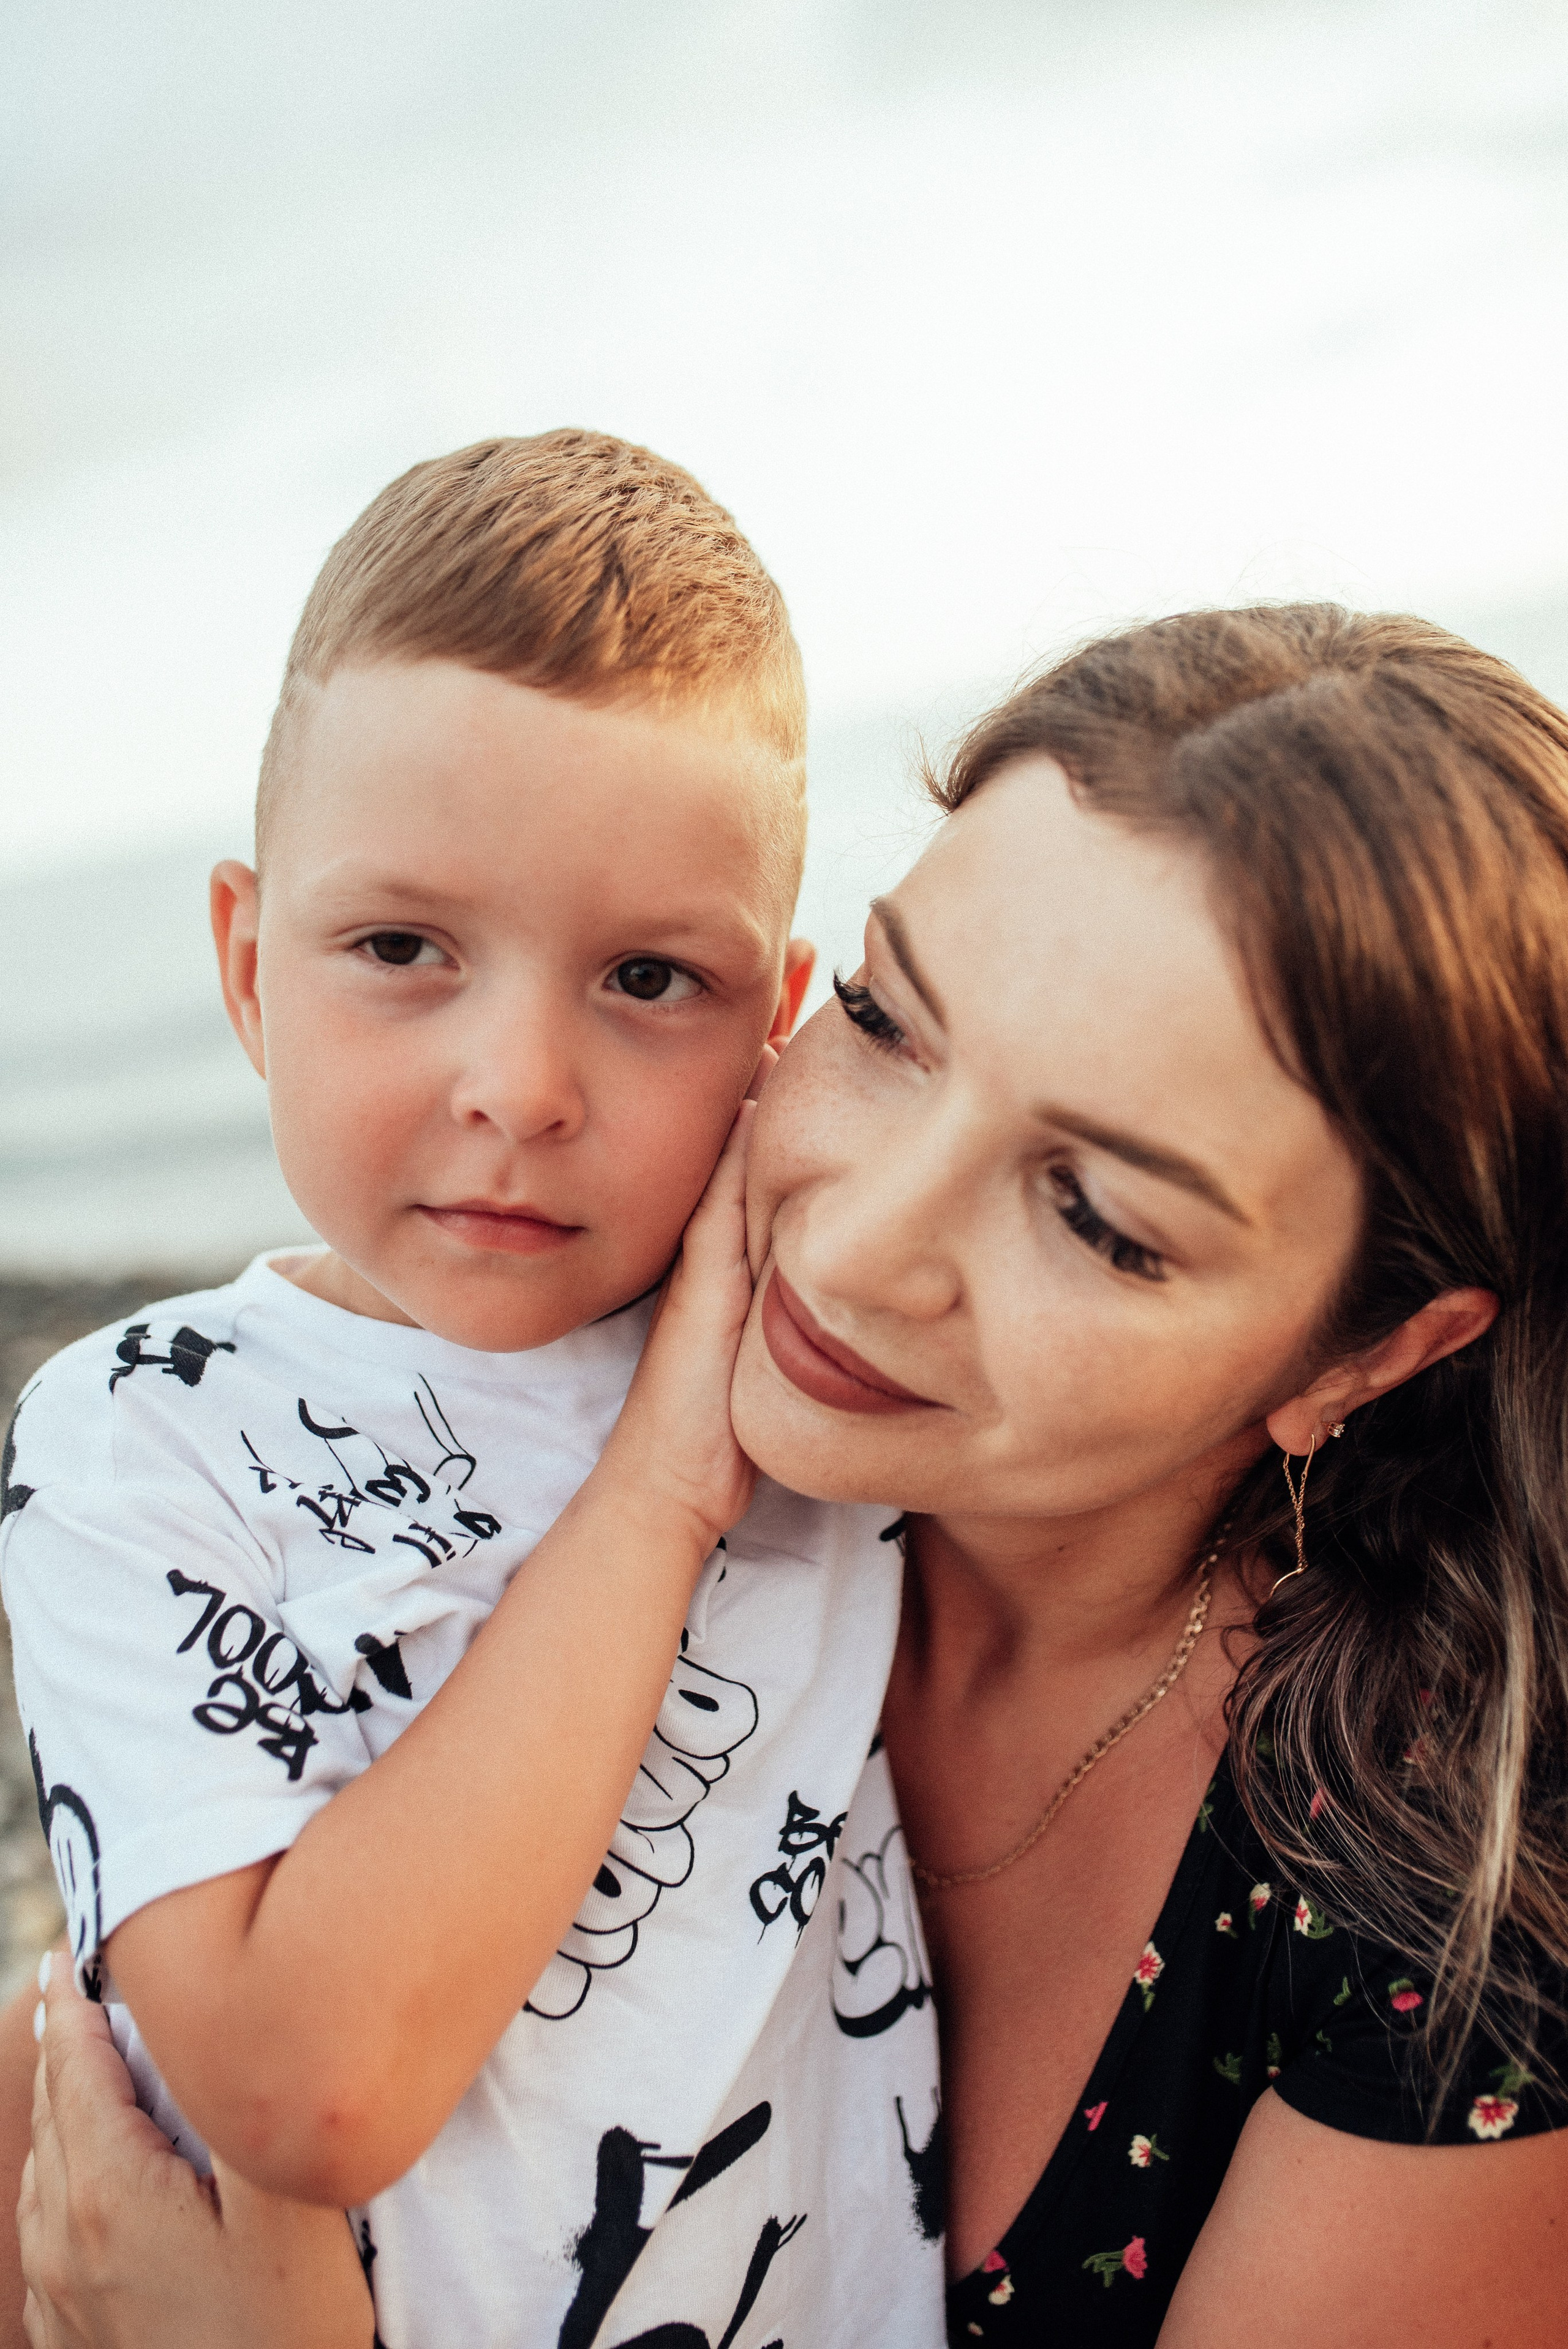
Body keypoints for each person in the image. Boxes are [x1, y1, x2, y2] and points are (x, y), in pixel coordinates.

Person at [14, 600, 1568, 2348]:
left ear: (1370, 1352)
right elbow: (115, 2088)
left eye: (1095, 1215)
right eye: (889, 1025)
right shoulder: (523, 1465)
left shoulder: (1446, 1933)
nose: (860, 1244)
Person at [0, 432, 943, 2349]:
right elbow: (309, 2087)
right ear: (248, 967)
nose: (521, 1084)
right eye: (401, 948)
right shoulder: (137, 1437)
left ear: (776, 1031)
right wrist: (659, 1490)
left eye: (649, 979)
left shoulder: (833, 1393)